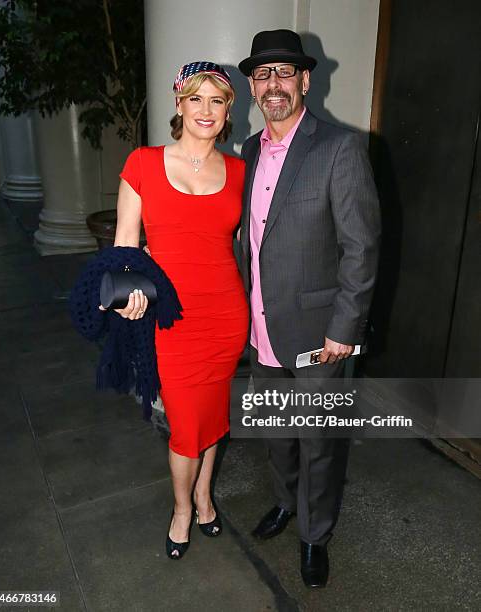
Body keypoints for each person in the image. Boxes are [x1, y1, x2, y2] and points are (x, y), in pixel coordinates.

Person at [238, 30, 381, 587]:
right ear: (252, 86)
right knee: (276, 431)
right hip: (262, 329)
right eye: (263, 75)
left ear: (304, 80)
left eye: (284, 73)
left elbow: (361, 247)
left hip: (319, 332)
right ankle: (283, 503)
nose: (274, 85)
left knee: (318, 441)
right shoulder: (247, 151)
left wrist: (346, 328)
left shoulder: (338, 149)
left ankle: (313, 534)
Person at [111, 62, 249, 560]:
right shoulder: (143, 162)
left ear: (229, 108)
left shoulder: (239, 172)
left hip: (226, 315)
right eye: (196, 98)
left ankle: (205, 497)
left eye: (217, 100)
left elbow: (245, 244)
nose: (205, 110)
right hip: (171, 318)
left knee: (212, 413)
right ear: (178, 103)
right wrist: (130, 289)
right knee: (186, 424)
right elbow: (126, 242)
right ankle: (182, 509)